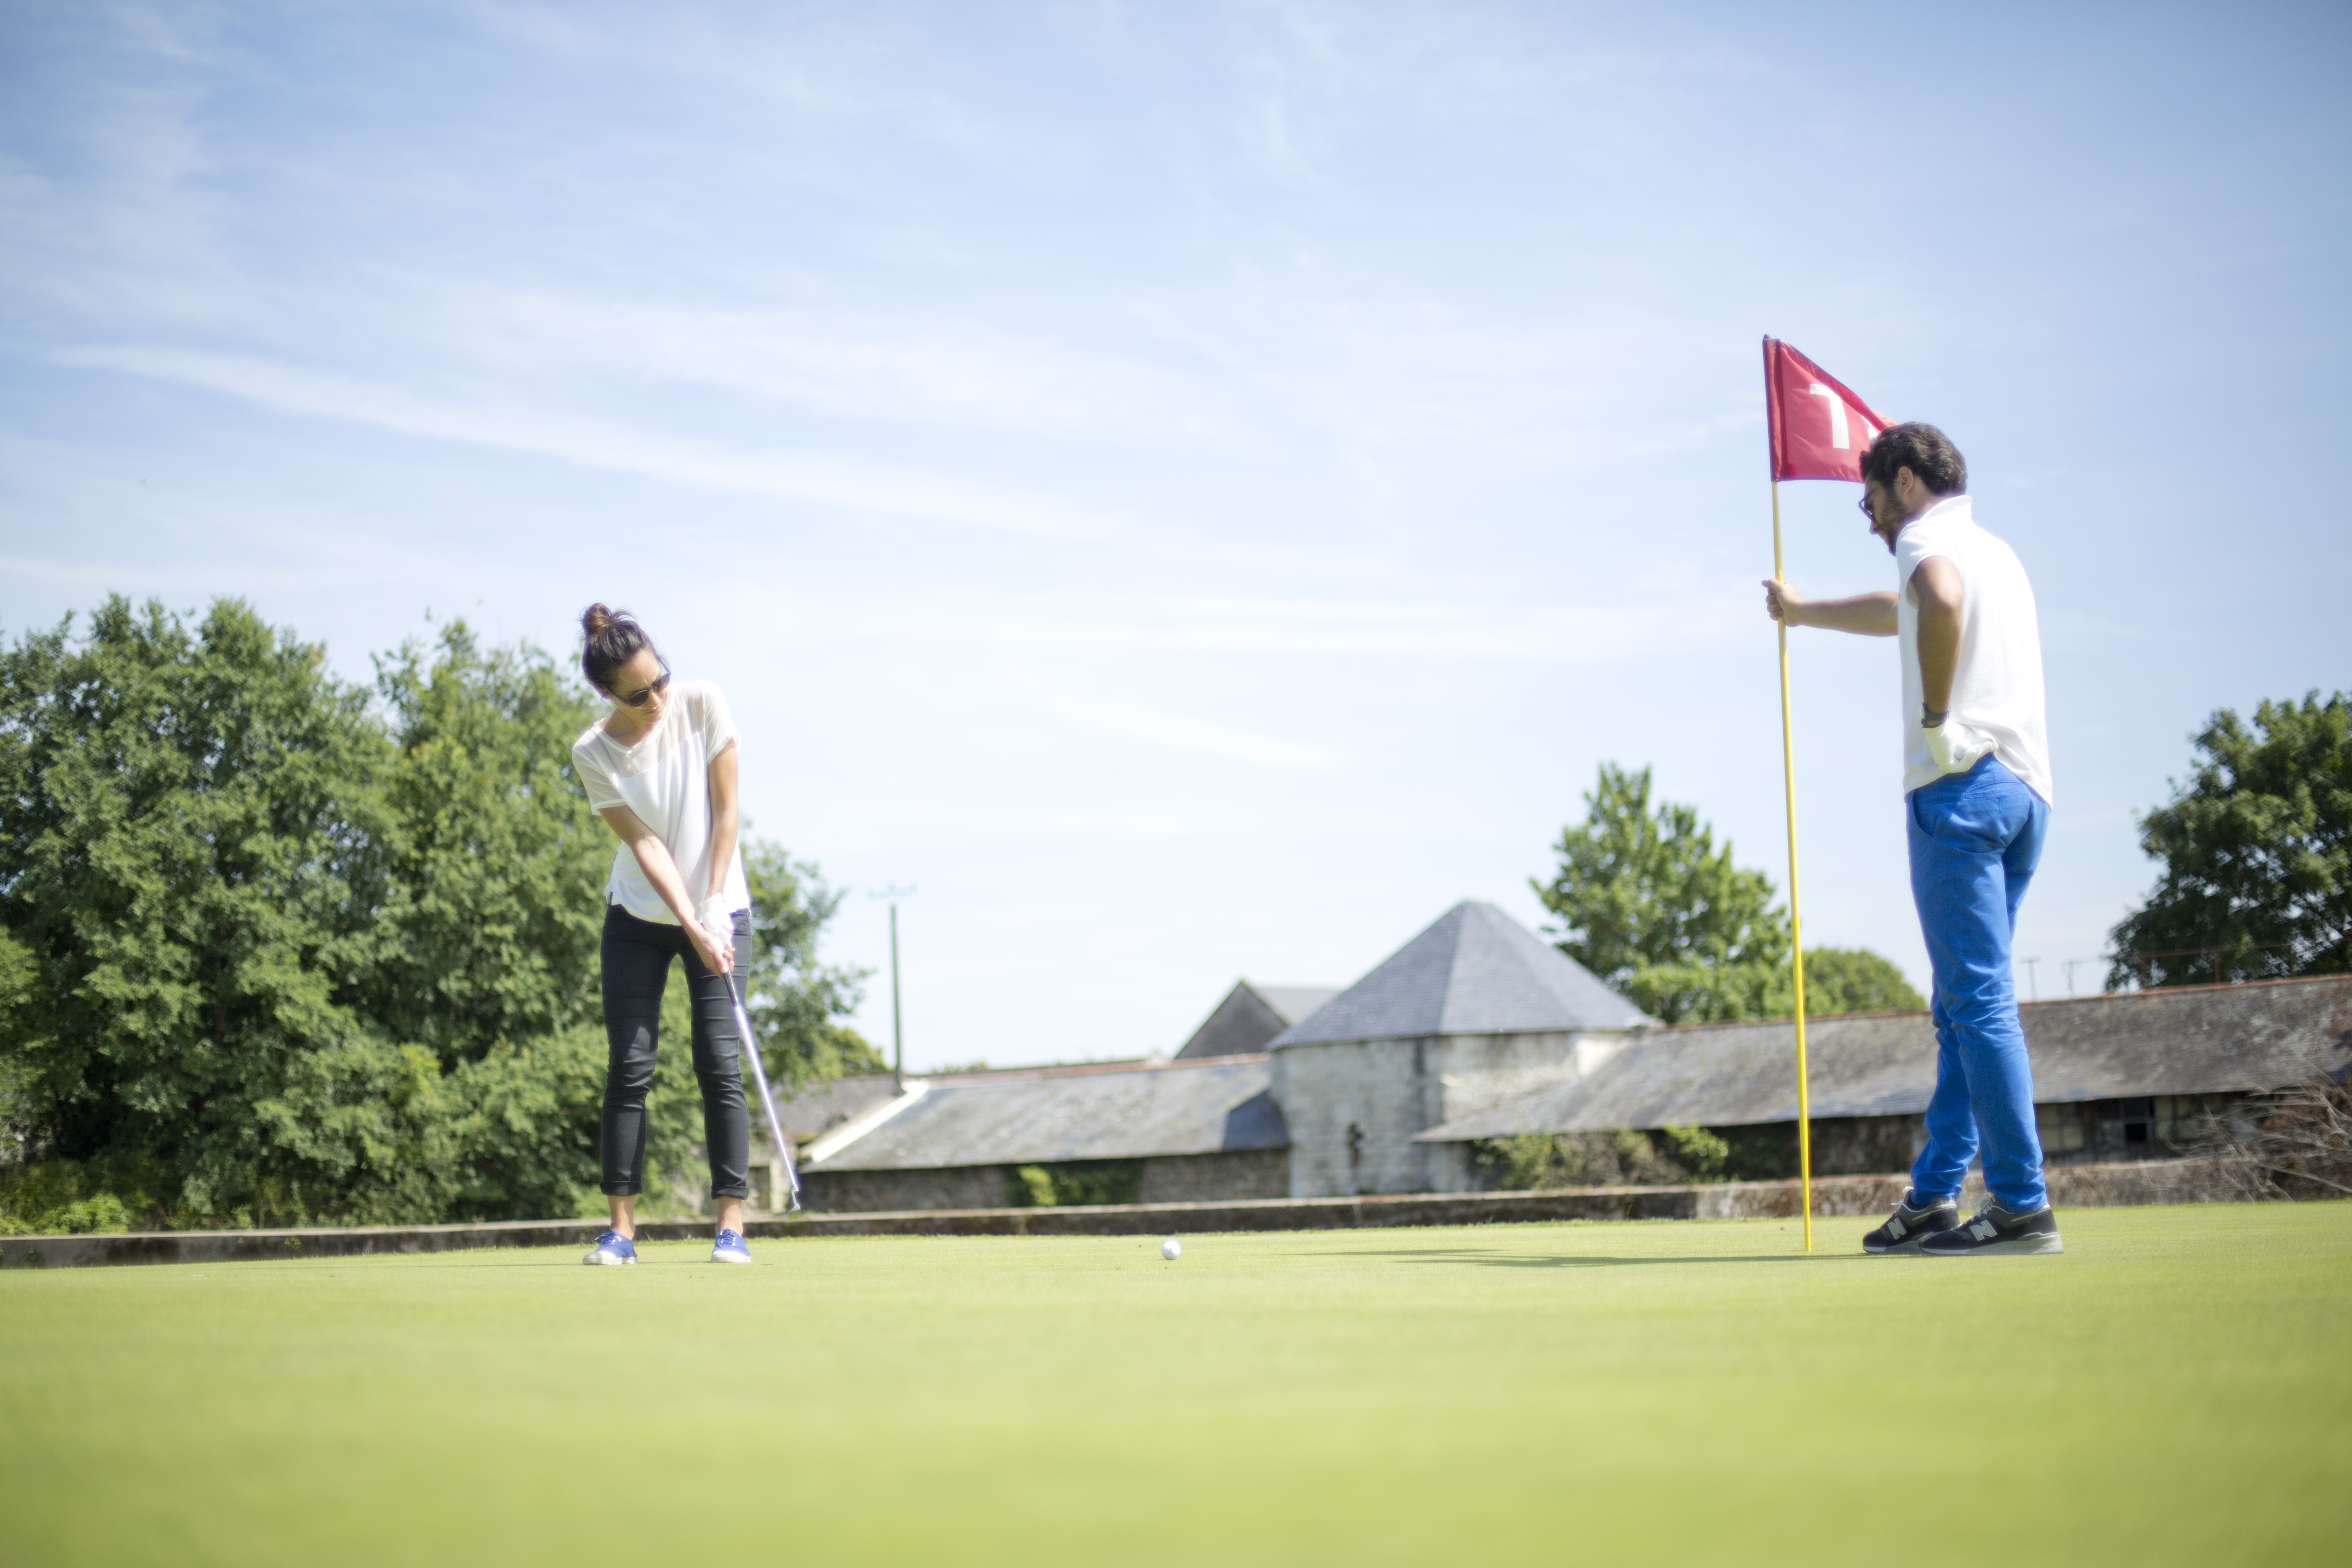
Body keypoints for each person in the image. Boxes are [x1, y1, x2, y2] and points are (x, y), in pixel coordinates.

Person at [1762, 423, 2063, 1256]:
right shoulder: (1996, 549)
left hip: (1958, 786)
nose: (1868, 520)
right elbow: (1912, 606)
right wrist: (1802, 613)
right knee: (1961, 1007)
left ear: (1903, 480)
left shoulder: (1926, 540)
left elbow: (1938, 598)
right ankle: (1934, 1199)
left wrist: (1936, 718)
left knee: (1976, 1001)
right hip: (2026, 793)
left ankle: (2020, 1205)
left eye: (1868, 501)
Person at [569, 604, 759, 1265]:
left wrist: (713, 906)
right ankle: (621, 1232)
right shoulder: (592, 752)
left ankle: (729, 1226)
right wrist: (689, 920)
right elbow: (645, 842)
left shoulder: (703, 703)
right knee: (631, 1066)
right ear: (605, 694)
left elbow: (729, 808)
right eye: (637, 694)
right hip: (638, 919)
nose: (656, 699)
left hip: (720, 904)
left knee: (718, 1060)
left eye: (660, 682)